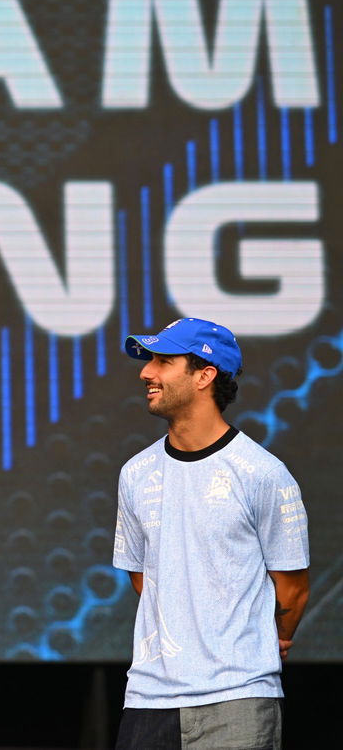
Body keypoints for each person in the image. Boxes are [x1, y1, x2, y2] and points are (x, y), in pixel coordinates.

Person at [114, 317, 310, 749]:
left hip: (238, 698)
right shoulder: (135, 474)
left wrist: (258, 640)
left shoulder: (263, 474)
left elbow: (292, 592)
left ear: (205, 375)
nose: (146, 372)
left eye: (164, 361)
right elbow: (144, 576)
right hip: (148, 697)